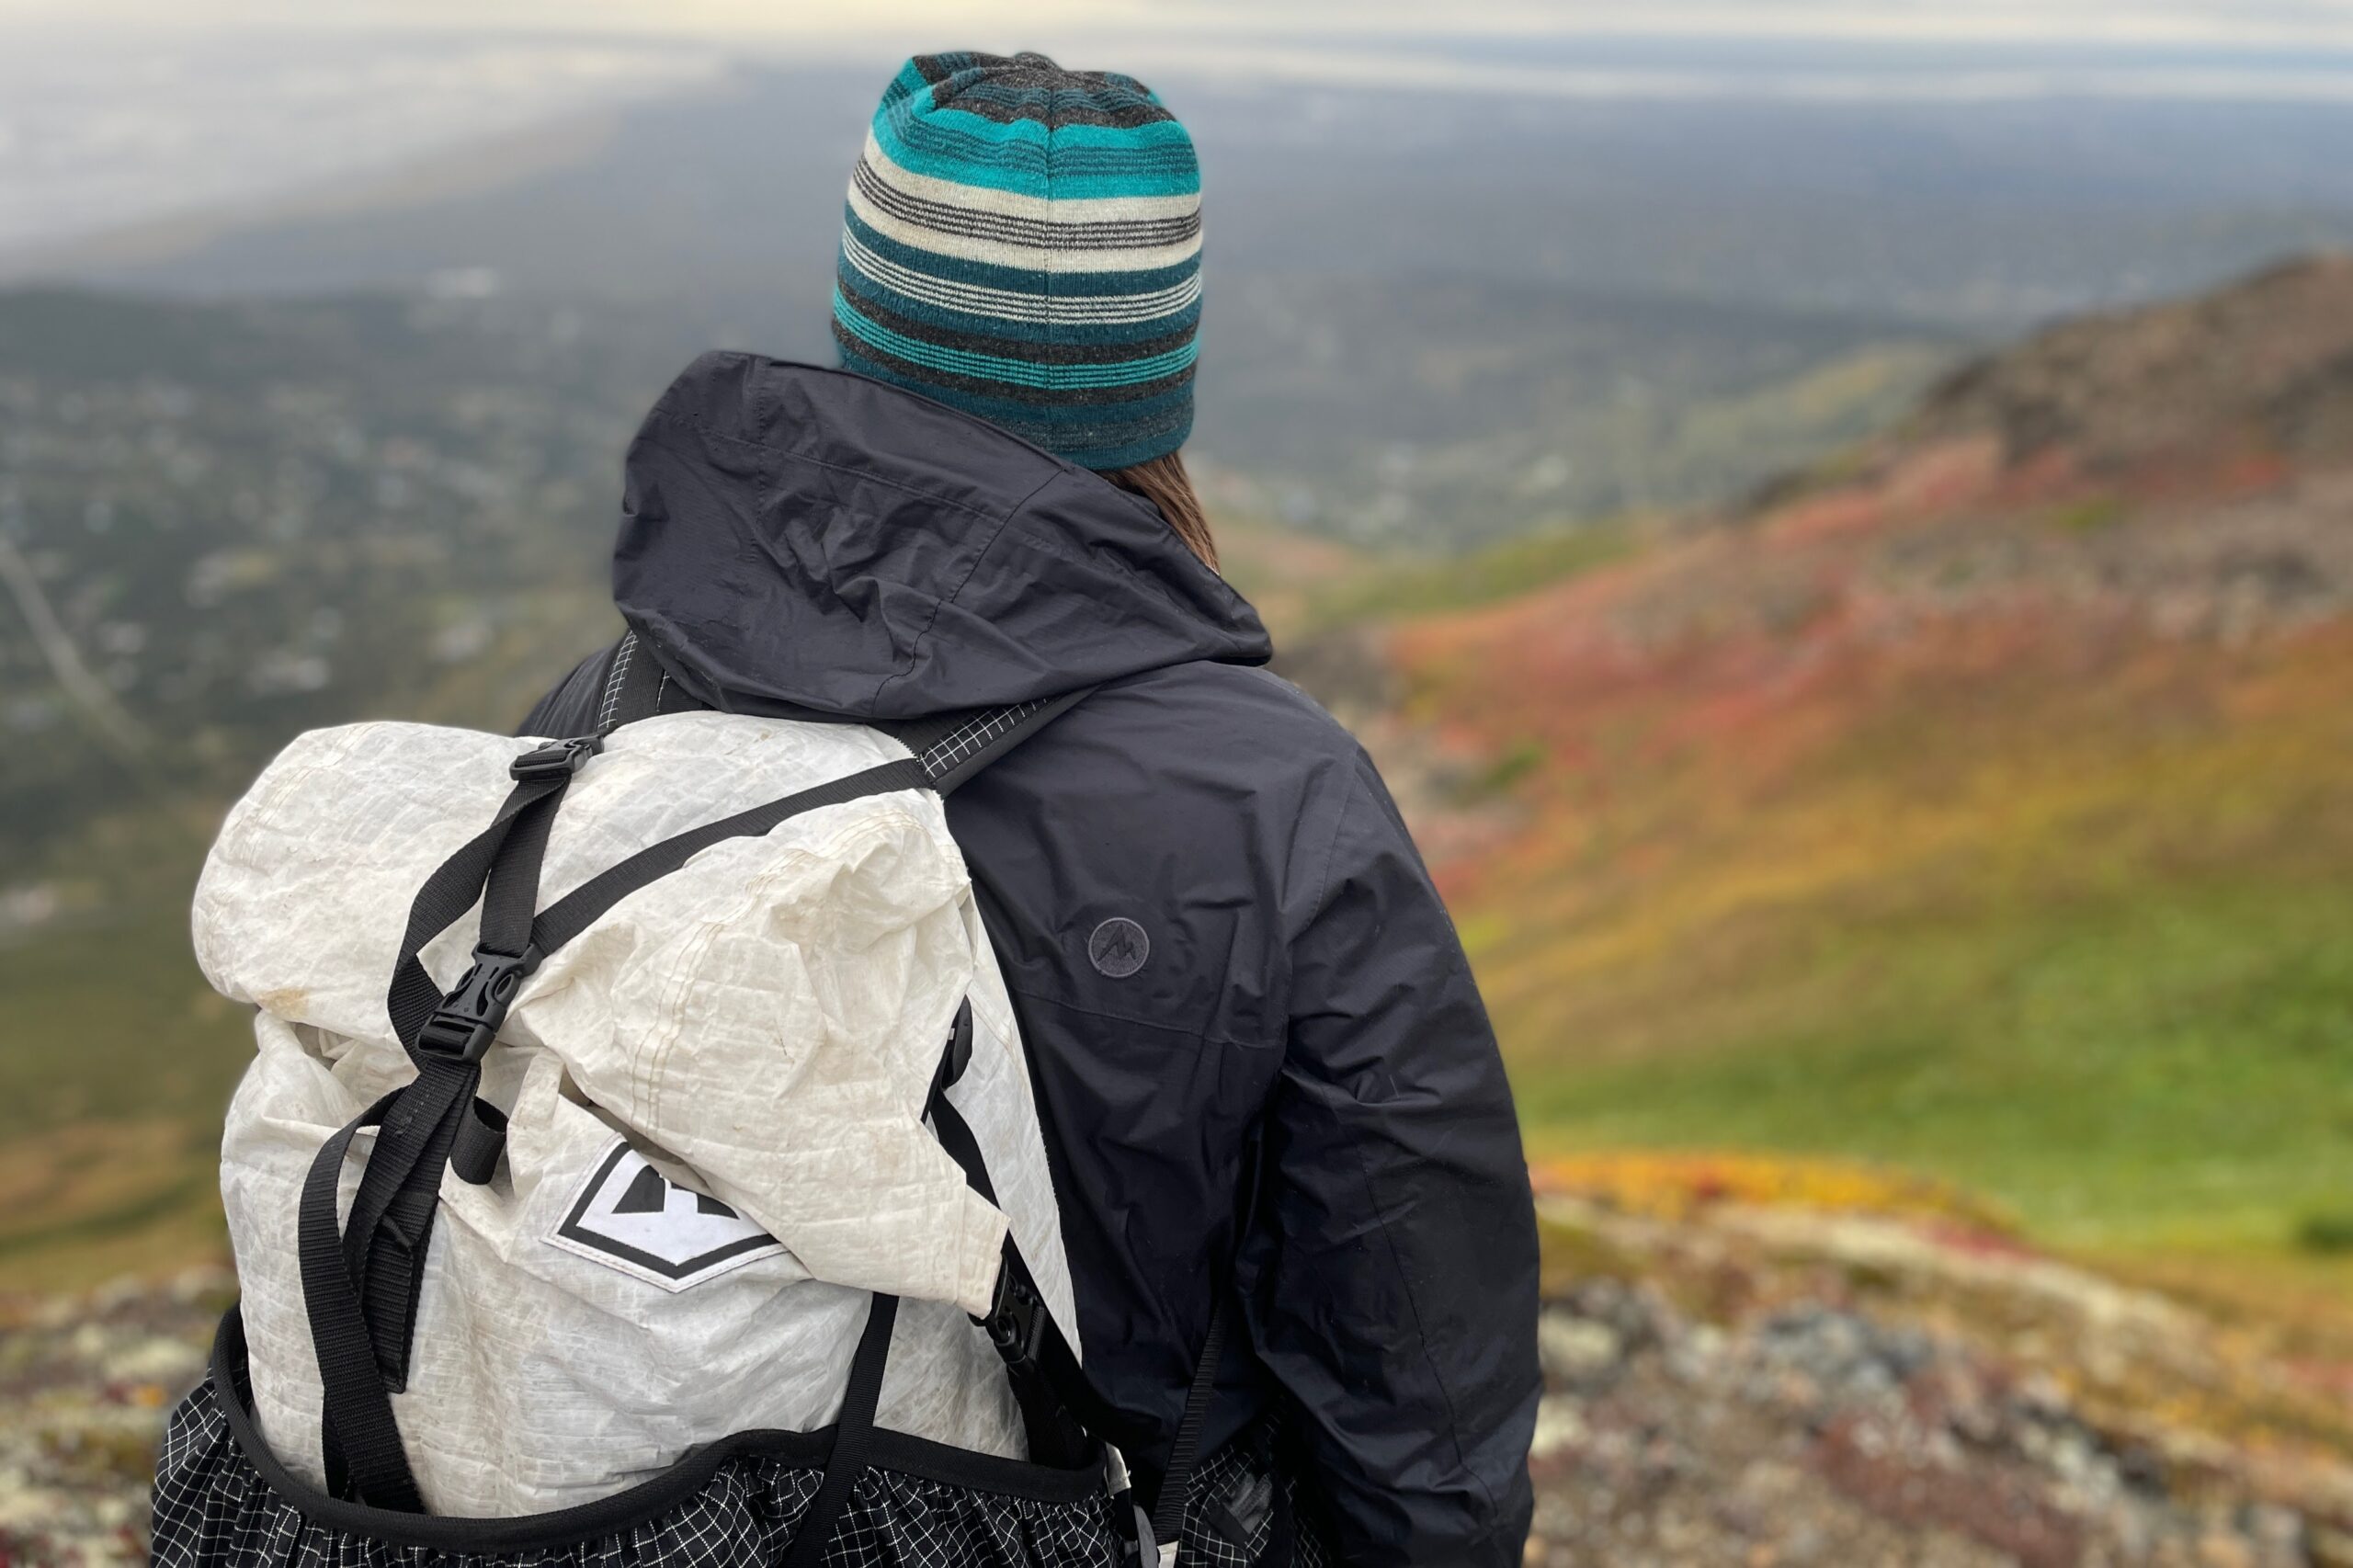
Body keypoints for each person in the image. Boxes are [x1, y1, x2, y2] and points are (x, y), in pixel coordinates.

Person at [526, 51, 1540, 1567]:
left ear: (864, 316)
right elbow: (1417, 1378)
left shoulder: (598, 712)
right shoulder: (1278, 800)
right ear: (1155, 374)